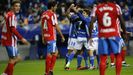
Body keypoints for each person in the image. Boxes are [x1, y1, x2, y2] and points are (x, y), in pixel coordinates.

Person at [89, 0, 127, 75]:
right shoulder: (116, 7)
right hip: (114, 34)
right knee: (118, 55)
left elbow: (91, 22)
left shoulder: (97, 8)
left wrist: (90, 36)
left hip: (102, 35)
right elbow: (122, 21)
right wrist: (124, 33)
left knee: (103, 58)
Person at [1, 1, 29, 75]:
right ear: (12, 6)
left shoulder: (8, 14)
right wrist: (22, 38)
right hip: (10, 40)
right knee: (13, 59)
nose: (18, 8)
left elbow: (2, 25)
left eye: (19, 6)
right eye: (16, 6)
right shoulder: (12, 15)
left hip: (7, 39)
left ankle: (5, 73)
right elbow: (12, 29)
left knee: (17, 58)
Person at [41, 1, 65, 75]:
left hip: (46, 36)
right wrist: (62, 35)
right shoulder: (52, 14)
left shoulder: (43, 14)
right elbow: (56, 26)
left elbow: (42, 26)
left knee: (56, 52)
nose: (56, 7)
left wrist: (43, 36)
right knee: (50, 54)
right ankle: (46, 72)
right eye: (55, 6)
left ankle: (50, 70)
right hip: (51, 36)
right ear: (52, 7)